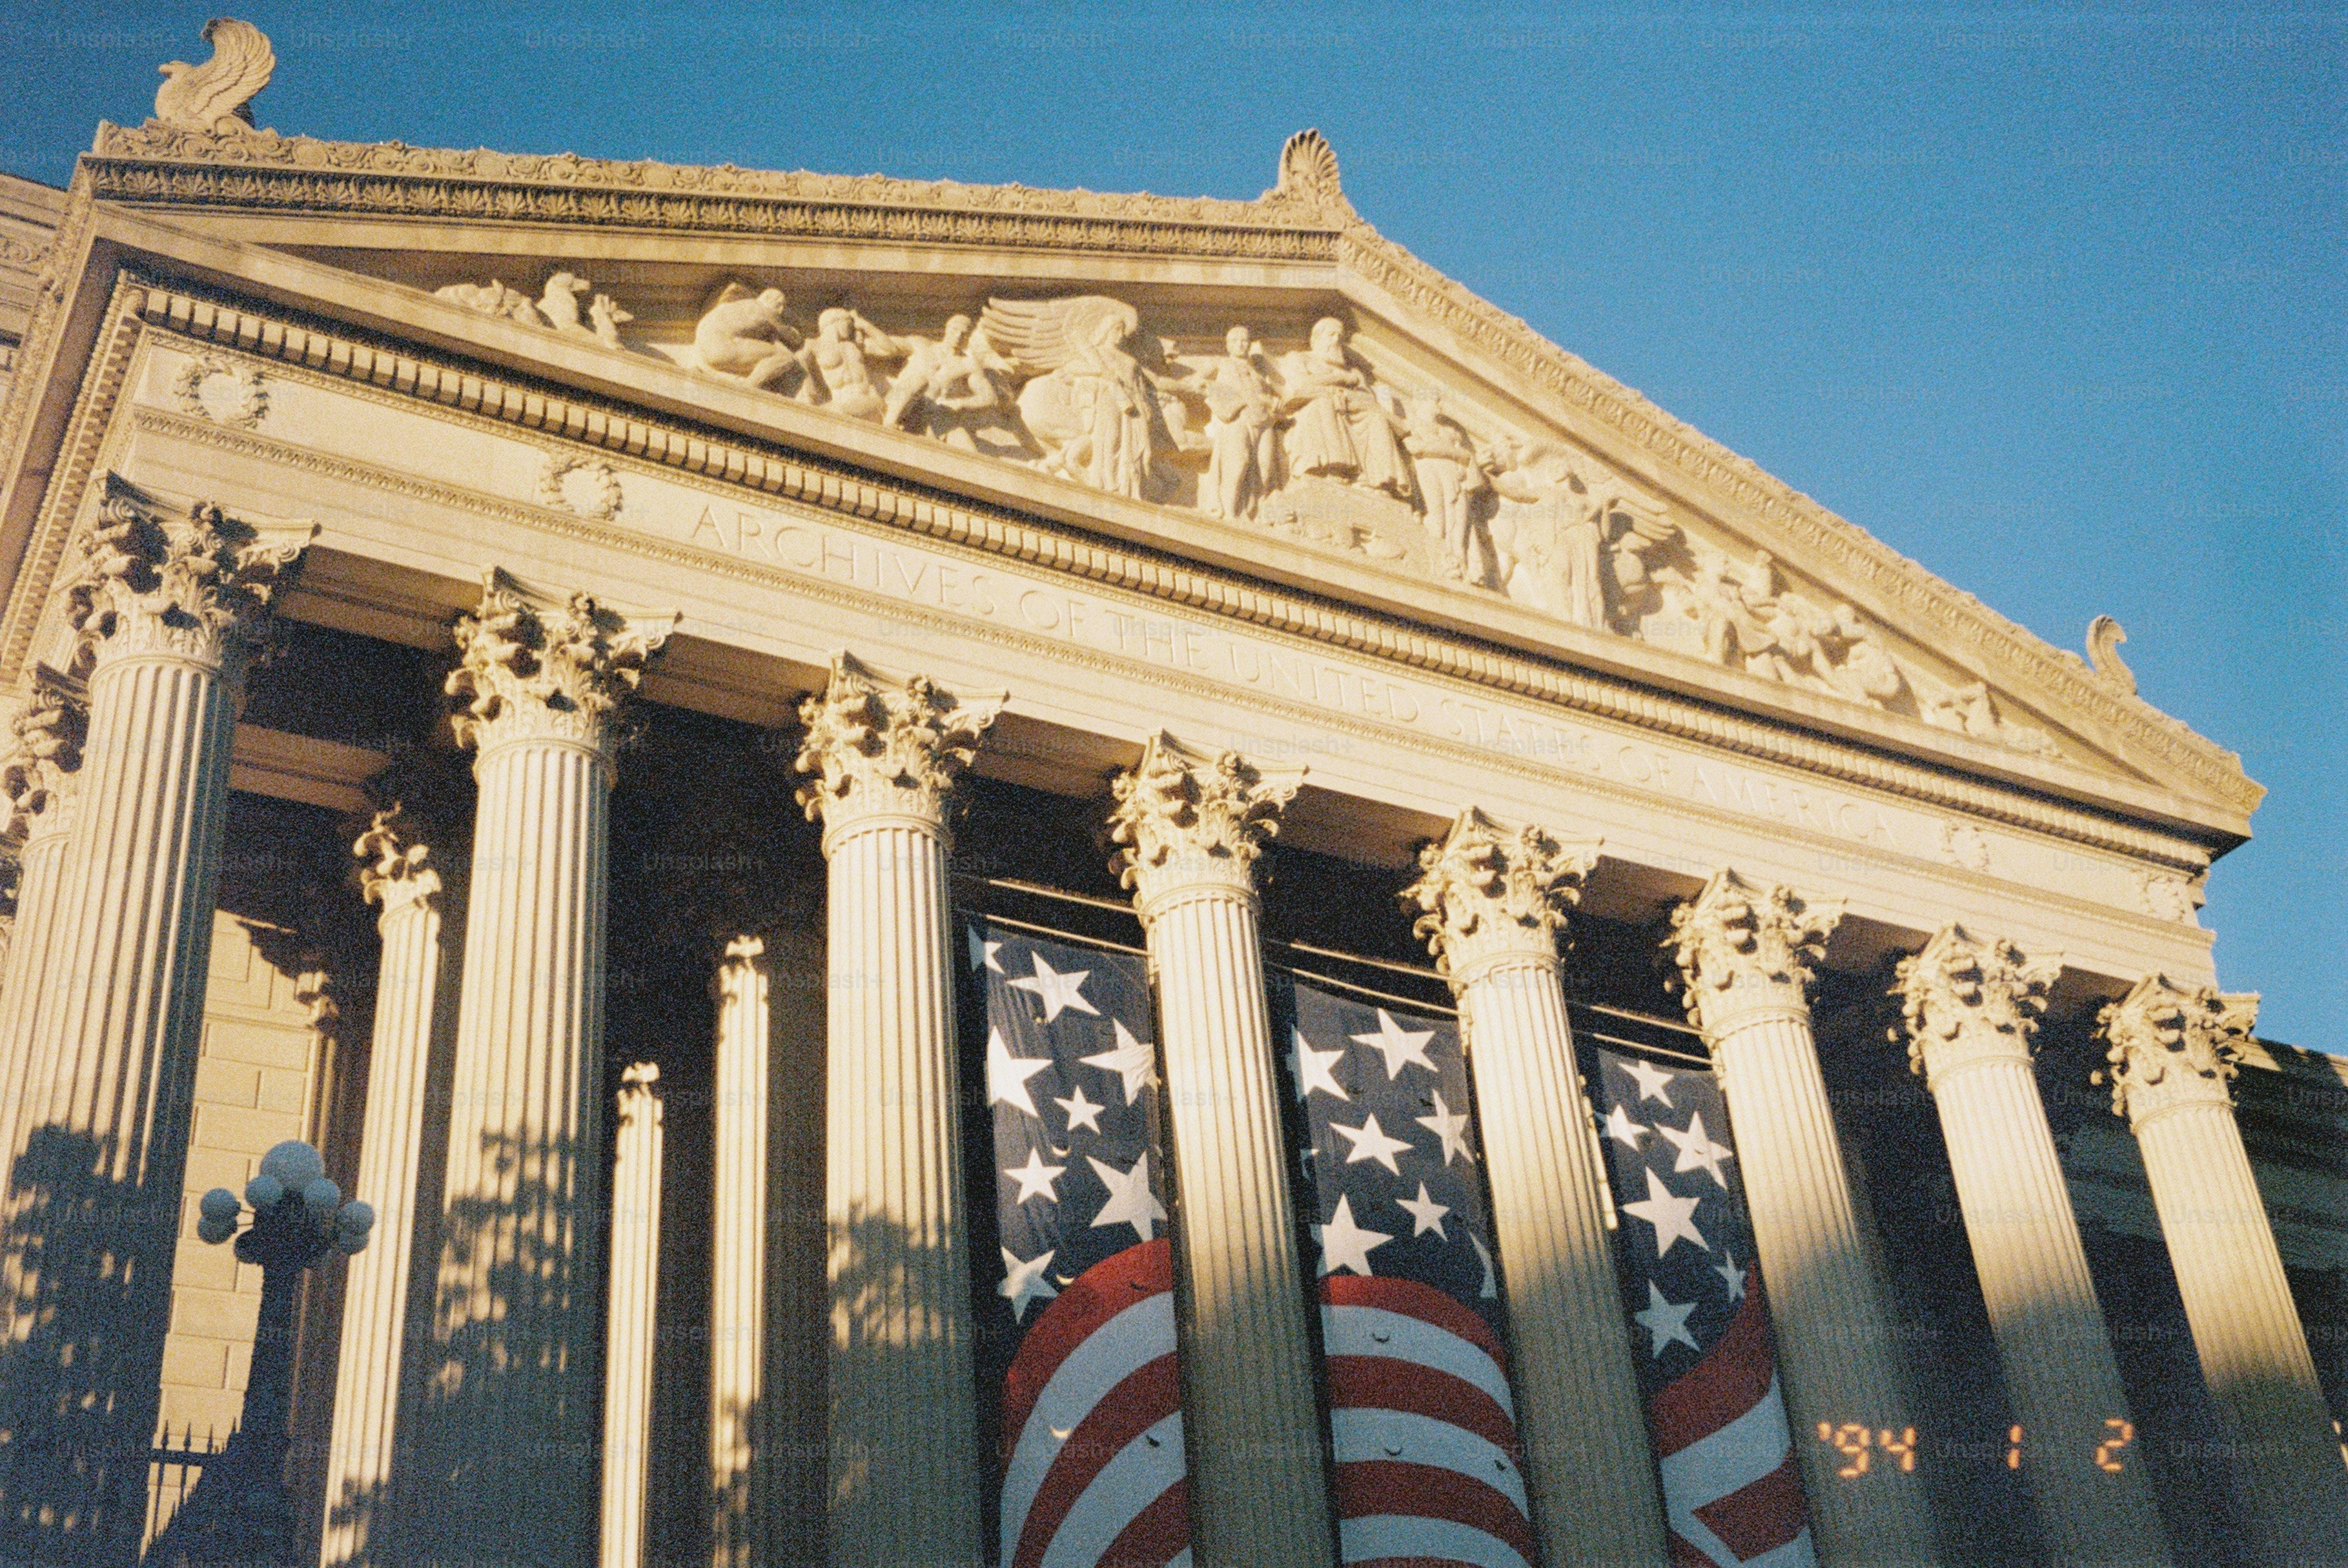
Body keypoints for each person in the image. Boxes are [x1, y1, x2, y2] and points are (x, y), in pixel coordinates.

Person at [1280, 317, 1414, 500]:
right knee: (1325, 403)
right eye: (1331, 335)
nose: (1336, 341)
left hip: (1353, 412)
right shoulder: (1299, 358)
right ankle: (1332, 469)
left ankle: (1378, 481)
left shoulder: (1355, 373)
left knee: (1376, 419)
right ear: (1316, 339)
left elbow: (1368, 400)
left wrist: (1346, 395)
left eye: (1340, 337)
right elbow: (1298, 388)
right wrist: (1336, 381)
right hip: (1319, 411)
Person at [1193, 326, 1280, 520]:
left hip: (1263, 420)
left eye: (1245, 341)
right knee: (1238, 463)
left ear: (1250, 344)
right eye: (1235, 341)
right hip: (1237, 417)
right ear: (1228, 345)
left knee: (1264, 469)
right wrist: (1217, 393)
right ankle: (1230, 513)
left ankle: (1251, 513)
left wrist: (1270, 400)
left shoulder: (1257, 371)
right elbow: (1197, 381)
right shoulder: (1221, 363)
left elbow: (1272, 394)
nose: (1241, 345)